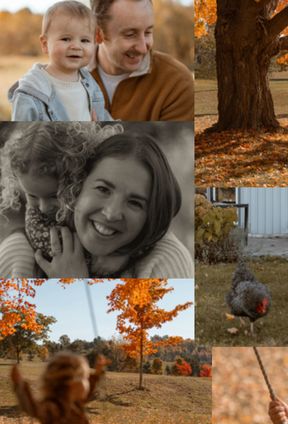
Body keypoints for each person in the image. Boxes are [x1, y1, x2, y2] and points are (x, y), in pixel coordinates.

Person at [32, 131, 194, 279]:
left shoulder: (167, 260)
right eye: (103, 189)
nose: (111, 213)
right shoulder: (23, 250)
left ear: (150, 215)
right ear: (76, 186)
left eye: (135, 203)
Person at [0, 122, 120, 277]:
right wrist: (106, 255)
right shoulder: (35, 222)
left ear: (78, 182)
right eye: (32, 196)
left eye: (53, 196)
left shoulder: (98, 209)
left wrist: (122, 253)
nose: (42, 208)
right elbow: (66, 254)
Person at [89, 0, 194, 121]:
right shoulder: (66, 75)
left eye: (148, 32)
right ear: (98, 34)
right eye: (130, 34)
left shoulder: (177, 82)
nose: (143, 48)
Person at [9, 1, 111, 121]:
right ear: (45, 44)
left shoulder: (90, 83)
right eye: (66, 39)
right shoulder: (30, 93)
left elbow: (103, 117)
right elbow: (23, 135)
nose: (76, 46)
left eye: (85, 40)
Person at [11, 352, 106, 424]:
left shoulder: (76, 404)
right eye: (85, 378)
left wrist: (97, 373)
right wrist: (20, 385)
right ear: (72, 382)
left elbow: (88, 392)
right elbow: (33, 408)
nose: (88, 383)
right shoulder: (53, 407)